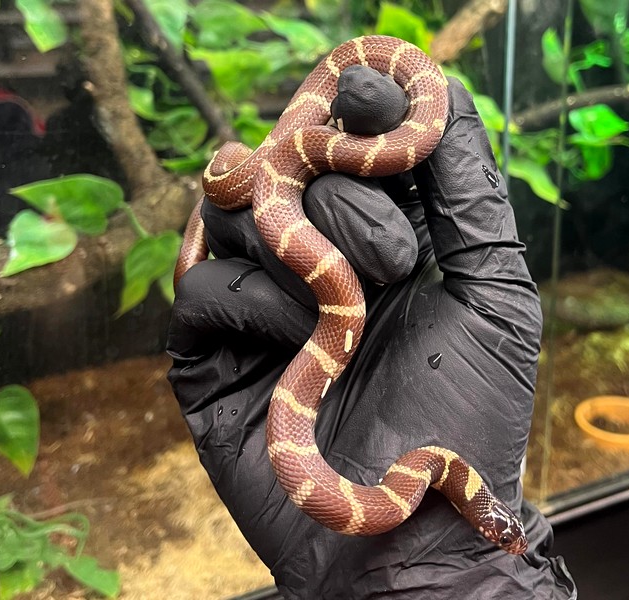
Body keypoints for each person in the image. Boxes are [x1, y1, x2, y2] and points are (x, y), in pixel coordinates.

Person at [167, 67, 577, 599]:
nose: (504, 538)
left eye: (496, 534)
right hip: (310, 172)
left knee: (236, 183)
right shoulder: (435, 468)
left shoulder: (427, 472)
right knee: (239, 178)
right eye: (495, 531)